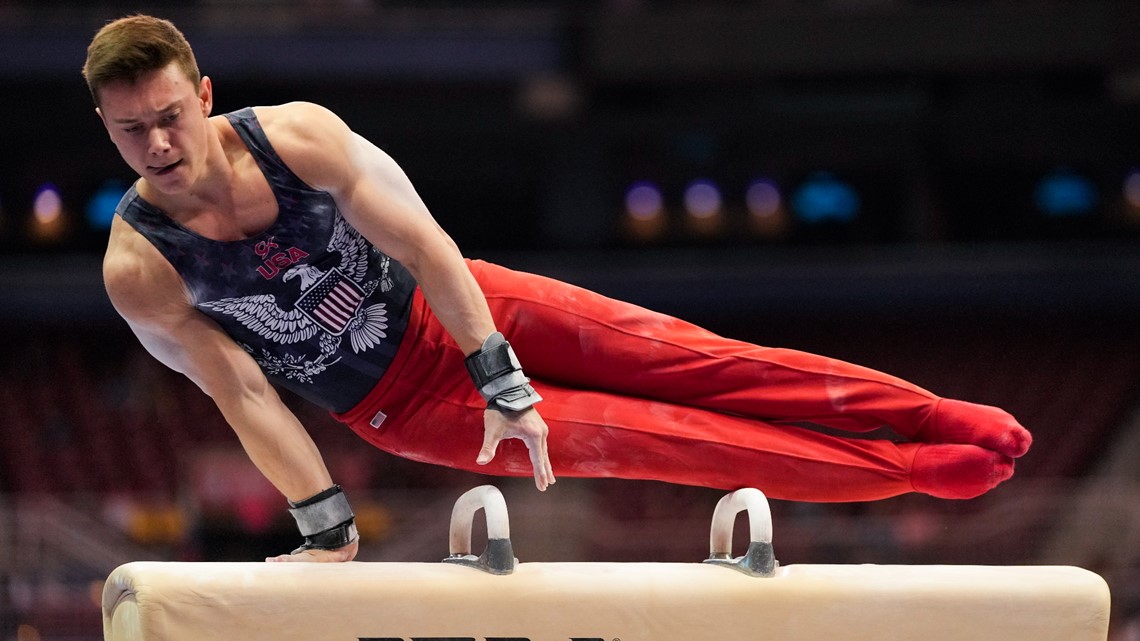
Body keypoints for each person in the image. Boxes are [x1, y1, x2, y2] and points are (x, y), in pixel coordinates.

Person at [83, 15, 1031, 563]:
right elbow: (243, 393)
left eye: (170, 116)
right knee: (683, 445)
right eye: (133, 132)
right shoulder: (143, 267)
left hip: (466, 314)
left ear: (203, 93)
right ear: (106, 126)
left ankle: (926, 413)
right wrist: (325, 522)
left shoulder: (298, 139)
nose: (160, 145)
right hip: (405, 407)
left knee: (700, 363)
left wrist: (501, 378)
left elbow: (427, 243)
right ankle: (906, 471)